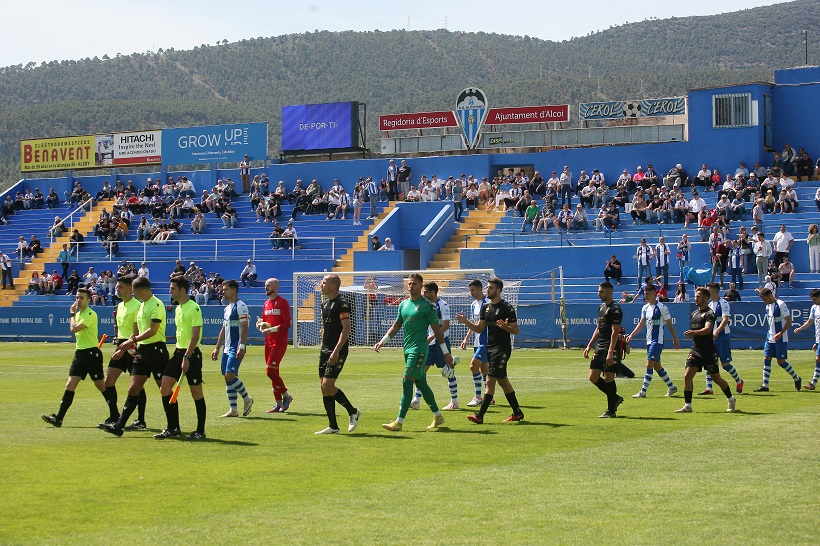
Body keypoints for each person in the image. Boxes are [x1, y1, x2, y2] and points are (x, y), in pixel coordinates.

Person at [375, 273, 452, 431]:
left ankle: (399, 422)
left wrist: (446, 353)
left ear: (421, 285)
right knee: (421, 383)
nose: (411, 286)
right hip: (407, 349)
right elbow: (396, 325)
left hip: (420, 349)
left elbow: (437, 331)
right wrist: (383, 341)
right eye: (409, 284)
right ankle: (438, 416)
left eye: (414, 284)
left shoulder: (428, 306)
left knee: (407, 380)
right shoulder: (403, 305)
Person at [102, 276, 169, 437]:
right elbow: (133, 329)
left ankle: (168, 425)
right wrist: (121, 343)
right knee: (128, 386)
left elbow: (148, 330)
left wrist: (130, 343)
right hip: (134, 347)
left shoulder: (149, 304)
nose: (117, 289)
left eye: (121, 287)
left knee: (162, 388)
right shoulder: (128, 306)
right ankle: (118, 422)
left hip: (147, 348)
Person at [454, 277, 524, 424]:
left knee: (490, 379)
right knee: (502, 381)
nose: (488, 290)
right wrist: (466, 322)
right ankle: (517, 412)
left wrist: (506, 328)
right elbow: (479, 328)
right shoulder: (486, 308)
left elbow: (516, 330)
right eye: (487, 287)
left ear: (498, 290)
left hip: (502, 349)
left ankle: (480, 415)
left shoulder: (507, 308)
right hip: (490, 349)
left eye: (491, 288)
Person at [42, 289, 112, 427]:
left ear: (88, 300)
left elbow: (73, 329)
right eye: (77, 297)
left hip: (91, 353)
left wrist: (72, 314)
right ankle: (59, 418)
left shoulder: (91, 314)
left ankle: (115, 414)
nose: (78, 300)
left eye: (81, 298)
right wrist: (74, 315)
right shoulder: (79, 314)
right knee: (70, 385)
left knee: (100, 385)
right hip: (80, 353)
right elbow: (74, 331)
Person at [158, 276, 207, 439]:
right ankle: (173, 427)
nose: (169, 291)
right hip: (178, 353)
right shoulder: (178, 308)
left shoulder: (194, 308)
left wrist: (187, 357)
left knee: (196, 392)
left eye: (172, 288)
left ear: (182, 290)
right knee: (165, 387)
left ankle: (200, 431)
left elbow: (195, 337)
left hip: (191, 354)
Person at [675, 287, 737, 414]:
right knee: (687, 375)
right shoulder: (694, 314)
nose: (695, 299)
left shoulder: (710, 314)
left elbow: (708, 330)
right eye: (695, 296)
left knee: (717, 379)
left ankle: (731, 398)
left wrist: (694, 332)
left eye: (698, 297)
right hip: (695, 351)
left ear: (705, 298)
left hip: (708, 352)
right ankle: (688, 405)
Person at [314, 274, 361, 434]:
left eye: (324, 282)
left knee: (328, 385)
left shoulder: (342, 304)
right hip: (325, 350)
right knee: (323, 387)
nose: (321, 284)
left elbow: (346, 328)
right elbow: (325, 329)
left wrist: (335, 351)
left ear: (333, 286)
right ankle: (333, 426)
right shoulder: (325, 304)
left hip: (337, 351)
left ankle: (353, 411)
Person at [97, 275, 144, 428]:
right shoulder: (120, 306)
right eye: (117, 286)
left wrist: (126, 346)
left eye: (120, 287)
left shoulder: (137, 305)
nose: (117, 289)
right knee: (108, 381)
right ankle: (114, 415)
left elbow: (137, 330)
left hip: (132, 346)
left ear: (130, 289)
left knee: (137, 385)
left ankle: (140, 420)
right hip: (121, 344)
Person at [408, 282, 459, 411]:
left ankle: (454, 401)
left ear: (433, 292)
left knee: (449, 372)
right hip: (428, 345)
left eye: (425, 292)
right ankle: (416, 400)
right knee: (420, 371)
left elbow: (446, 325)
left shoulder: (443, 305)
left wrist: (433, 336)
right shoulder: (425, 306)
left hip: (441, 342)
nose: (423, 294)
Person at [627, 284, 679, 399]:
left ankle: (643, 391)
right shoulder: (645, 308)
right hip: (649, 341)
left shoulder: (662, 307)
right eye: (645, 294)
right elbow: (641, 324)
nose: (646, 296)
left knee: (649, 364)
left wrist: (675, 339)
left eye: (648, 294)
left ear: (654, 293)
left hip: (658, 340)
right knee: (657, 366)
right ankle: (672, 387)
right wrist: (632, 335)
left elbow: (669, 324)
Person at [212, 280, 254, 418]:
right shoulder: (227, 308)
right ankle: (233, 409)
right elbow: (224, 329)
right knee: (227, 377)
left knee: (230, 375)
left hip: (235, 347)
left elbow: (245, 327)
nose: (223, 292)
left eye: (225, 289)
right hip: (226, 347)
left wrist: (241, 346)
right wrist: (217, 348)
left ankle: (247, 399)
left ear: (234, 290)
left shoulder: (241, 306)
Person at [584, 282, 624, 418]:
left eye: (601, 291)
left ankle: (611, 410)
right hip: (600, 347)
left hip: (610, 347)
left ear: (609, 292)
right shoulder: (601, 308)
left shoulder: (615, 309)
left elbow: (615, 331)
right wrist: (589, 345)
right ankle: (615, 398)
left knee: (608, 378)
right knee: (593, 377)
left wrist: (610, 351)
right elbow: (598, 328)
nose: (598, 293)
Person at [699, 282, 744, 396]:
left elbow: (725, 320)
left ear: (714, 291)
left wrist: (717, 331)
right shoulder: (709, 305)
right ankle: (709, 388)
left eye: (708, 290)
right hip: (711, 337)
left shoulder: (723, 303)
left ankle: (739, 381)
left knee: (725, 365)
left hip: (722, 337)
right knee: (709, 361)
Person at [754, 288, 802, 392]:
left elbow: (788, 320)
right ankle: (765, 385)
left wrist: (780, 333)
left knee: (781, 362)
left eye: (766, 299)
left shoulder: (780, 304)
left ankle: (796, 378)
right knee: (767, 359)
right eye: (763, 300)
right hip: (770, 337)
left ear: (771, 295)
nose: (764, 302)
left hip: (781, 338)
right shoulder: (767, 306)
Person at [259, 278, 293, 413]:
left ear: (276, 287)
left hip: (279, 342)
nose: (266, 287)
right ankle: (278, 404)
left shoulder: (283, 302)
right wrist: (261, 326)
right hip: (268, 342)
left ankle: (286, 396)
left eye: (269, 285)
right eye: (265, 285)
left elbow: (286, 324)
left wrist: (271, 330)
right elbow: (264, 322)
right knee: (274, 373)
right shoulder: (266, 304)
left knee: (270, 371)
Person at [460, 279, 491, 407]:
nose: (471, 292)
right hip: (477, 341)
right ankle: (488, 396)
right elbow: (474, 324)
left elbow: (484, 324)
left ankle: (478, 397)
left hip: (487, 341)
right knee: (484, 369)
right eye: (470, 290)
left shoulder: (488, 303)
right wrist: (466, 339)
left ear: (480, 289)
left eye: (473, 290)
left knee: (473, 366)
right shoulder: (473, 305)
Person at [794, 289, 820, 390]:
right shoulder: (814, 308)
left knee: (818, 359)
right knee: (818, 359)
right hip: (819, 339)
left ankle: (813, 383)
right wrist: (800, 328)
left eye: (815, 299)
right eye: (812, 299)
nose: (814, 301)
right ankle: (813, 384)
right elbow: (810, 321)